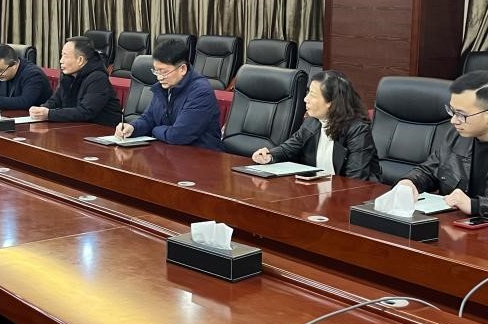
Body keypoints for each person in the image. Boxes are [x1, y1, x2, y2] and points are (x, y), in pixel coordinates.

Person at [252, 70, 380, 180]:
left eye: (312, 95)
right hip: (320, 192)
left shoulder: (358, 131)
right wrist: (269, 156)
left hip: (353, 196)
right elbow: (289, 149)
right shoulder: (312, 122)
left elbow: (355, 180)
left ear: (331, 102)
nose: (305, 99)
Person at [397, 70, 488, 215]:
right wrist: (410, 182)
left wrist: (475, 206)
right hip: (454, 223)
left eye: (461, 114)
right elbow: (431, 169)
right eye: (452, 111)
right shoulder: (456, 136)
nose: (453, 120)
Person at [113, 39, 223, 150]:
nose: (159, 77)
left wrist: (154, 129)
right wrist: (133, 127)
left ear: (182, 69)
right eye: (156, 71)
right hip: (169, 151)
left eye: (164, 72)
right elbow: (149, 118)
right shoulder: (164, 86)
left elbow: (179, 135)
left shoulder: (201, 92)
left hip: (200, 155)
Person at [29, 36, 121, 125]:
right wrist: (42, 109)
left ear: (80, 60)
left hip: (104, 130)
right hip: (78, 127)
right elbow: (55, 100)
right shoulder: (68, 75)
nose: (61, 61)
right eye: (61, 55)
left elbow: (85, 111)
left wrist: (49, 114)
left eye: (65, 56)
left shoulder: (98, 78)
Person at [0, 43, 52, 110]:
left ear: (14, 65)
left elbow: (25, 101)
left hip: (35, 119)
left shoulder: (33, 75)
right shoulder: (1, 72)